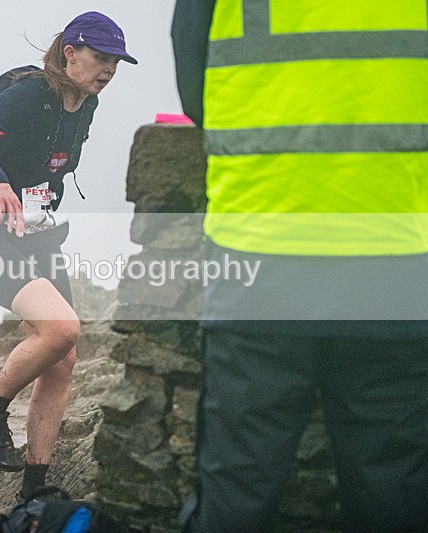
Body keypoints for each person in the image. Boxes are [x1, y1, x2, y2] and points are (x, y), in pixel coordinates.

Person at [171, 1, 428, 531]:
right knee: (393, 486)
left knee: (237, 490)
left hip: (258, 251)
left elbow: (196, 83)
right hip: (397, 254)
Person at [0, 12, 136, 501]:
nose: (109, 70)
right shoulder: (34, 91)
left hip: (38, 237)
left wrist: (41, 195)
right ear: (69, 53)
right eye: (100, 58)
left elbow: (51, 163)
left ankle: (35, 487)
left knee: (64, 357)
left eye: (116, 61)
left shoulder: (87, 103)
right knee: (62, 328)